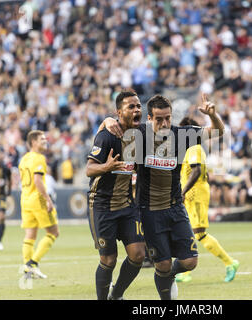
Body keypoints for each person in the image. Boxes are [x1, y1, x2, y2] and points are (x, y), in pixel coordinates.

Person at [101, 93, 225, 300]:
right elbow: (109, 128)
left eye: (168, 118)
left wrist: (213, 115)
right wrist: (107, 120)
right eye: (159, 119)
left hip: (175, 207)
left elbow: (218, 131)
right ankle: (121, 295)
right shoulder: (139, 134)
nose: (165, 123)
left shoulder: (182, 135)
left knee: (190, 262)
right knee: (163, 264)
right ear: (149, 119)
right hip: (148, 212)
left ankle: (169, 276)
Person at [86, 90, 145, 300]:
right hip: (101, 206)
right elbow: (89, 170)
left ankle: (116, 295)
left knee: (138, 254)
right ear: (119, 112)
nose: (137, 109)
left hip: (127, 206)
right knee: (109, 260)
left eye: (138, 106)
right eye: (131, 106)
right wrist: (107, 166)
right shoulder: (106, 136)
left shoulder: (141, 136)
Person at [176, 116, 239, 283]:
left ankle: (230, 263)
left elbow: (196, 172)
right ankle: (185, 271)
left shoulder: (194, 147)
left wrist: (183, 191)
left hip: (195, 194)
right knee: (187, 232)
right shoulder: (191, 148)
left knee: (199, 234)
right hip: (193, 193)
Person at [19, 130, 60, 280]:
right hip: (38, 200)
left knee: (30, 235)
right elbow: (37, 181)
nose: (45, 141)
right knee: (53, 232)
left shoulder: (24, 159)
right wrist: (48, 200)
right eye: (42, 139)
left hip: (25, 199)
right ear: (33, 142)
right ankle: (32, 263)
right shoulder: (39, 158)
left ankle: (28, 270)